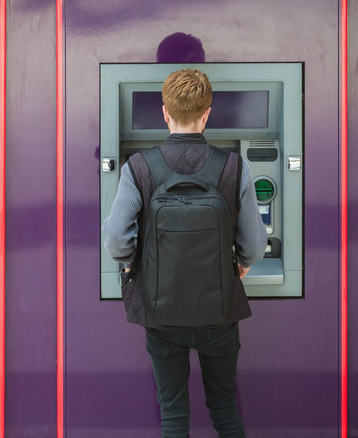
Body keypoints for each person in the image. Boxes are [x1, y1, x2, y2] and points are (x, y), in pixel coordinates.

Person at [102, 68, 267, 438]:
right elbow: (255, 244)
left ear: (165, 112)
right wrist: (240, 263)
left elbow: (115, 237)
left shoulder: (138, 167)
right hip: (219, 313)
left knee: (173, 414)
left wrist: (133, 263)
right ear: (207, 113)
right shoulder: (234, 167)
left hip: (162, 313)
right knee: (225, 408)